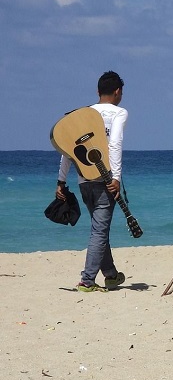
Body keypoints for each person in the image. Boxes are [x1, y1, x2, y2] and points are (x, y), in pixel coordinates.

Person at [56, 71, 128, 292]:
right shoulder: (119, 112)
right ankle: (87, 280)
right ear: (118, 92)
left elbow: (67, 149)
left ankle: (111, 275)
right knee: (99, 230)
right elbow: (115, 143)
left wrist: (61, 180)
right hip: (105, 180)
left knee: (99, 228)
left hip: (83, 180)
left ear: (98, 92)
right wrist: (115, 177)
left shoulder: (82, 114)